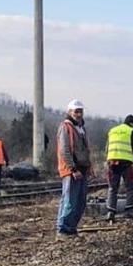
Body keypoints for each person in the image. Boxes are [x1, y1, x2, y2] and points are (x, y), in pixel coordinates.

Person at [56, 100, 91, 238]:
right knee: (69, 200)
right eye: (76, 111)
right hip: (72, 170)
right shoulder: (66, 127)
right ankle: (63, 228)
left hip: (82, 169)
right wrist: (72, 168)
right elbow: (64, 150)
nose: (79, 114)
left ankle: (71, 228)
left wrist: (89, 167)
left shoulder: (81, 128)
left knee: (80, 201)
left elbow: (85, 150)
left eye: (80, 111)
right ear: (70, 112)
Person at [105, 115, 133, 218]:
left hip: (112, 162)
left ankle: (111, 211)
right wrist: (132, 157)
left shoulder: (112, 130)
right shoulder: (131, 131)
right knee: (130, 186)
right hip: (125, 162)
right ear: (132, 124)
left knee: (113, 187)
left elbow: (107, 148)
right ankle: (129, 210)